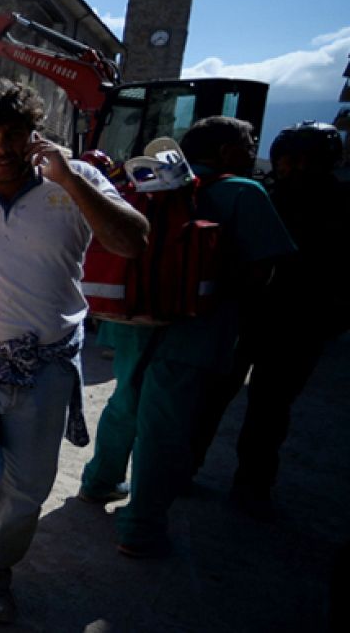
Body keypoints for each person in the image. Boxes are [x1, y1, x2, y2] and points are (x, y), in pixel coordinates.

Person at [0, 80, 147, 632]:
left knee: (26, 488)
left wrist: (69, 176)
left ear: (33, 137)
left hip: (47, 365)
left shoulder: (76, 182)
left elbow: (133, 241)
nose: (1, 148)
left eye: (13, 134)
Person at [77, 116, 294, 556]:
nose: (252, 150)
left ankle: (98, 483)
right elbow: (263, 271)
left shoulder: (150, 185)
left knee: (125, 401)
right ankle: (141, 530)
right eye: (249, 143)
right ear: (228, 151)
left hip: (134, 317)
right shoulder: (244, 192)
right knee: (166, 425)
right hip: (196, 326)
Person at [187, 123, 344, 517]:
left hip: (275, 321)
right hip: (272, 321)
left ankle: (231, 479)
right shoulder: (267, 195)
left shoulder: (265, 195)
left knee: (254, 406)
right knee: (255, 406)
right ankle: (244, 484)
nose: (292, 167)